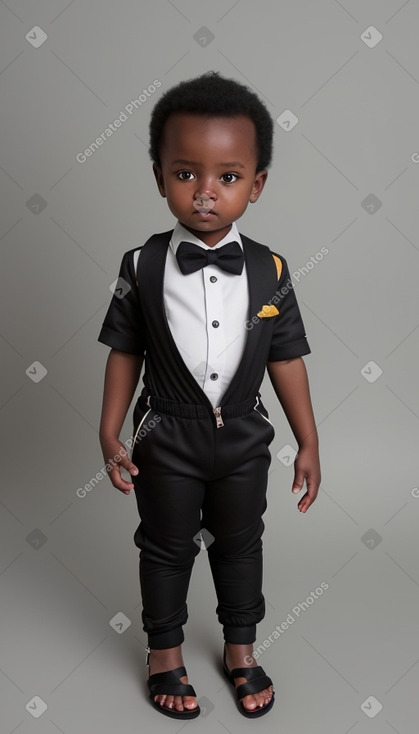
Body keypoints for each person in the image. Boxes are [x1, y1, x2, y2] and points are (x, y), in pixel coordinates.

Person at [97, 70, 321, 720]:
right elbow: (125, 353)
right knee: (164, 546)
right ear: (159, 175)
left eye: (226, 176)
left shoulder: (270, 269)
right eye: (185, 173)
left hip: (244, 437)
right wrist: (108, 431)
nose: (204, 192)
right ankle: (164, 651)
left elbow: (286, 359)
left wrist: (309, 438)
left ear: (256, 185)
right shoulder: (139, 266)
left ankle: (240, 648)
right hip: (165, 434)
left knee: (240, 541)